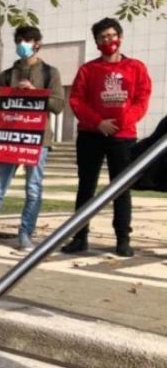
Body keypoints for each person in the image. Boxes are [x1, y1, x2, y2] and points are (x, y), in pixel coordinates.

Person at [0, 25, 64, 250]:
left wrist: (35, 92)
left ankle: (25, 234)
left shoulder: (50, 73)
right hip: (8, 138)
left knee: (33, 189)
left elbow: (58, 105)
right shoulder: (6, 76)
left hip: (37, 140)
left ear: (38, 44)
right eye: (19, 41)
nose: (22, 45)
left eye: (27, 41)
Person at [61, 17, 152, 257]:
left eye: (111, 35)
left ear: (120, 37)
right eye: (102, 37)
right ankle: (79, 237)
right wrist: (98, 123)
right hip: (91, 135)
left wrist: (120, 122)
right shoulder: (87, 70)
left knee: (121, 187)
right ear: (97, 42)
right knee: (86, 187)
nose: (108, 40)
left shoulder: (136, 67)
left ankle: (123, 239)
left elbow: (141, 100)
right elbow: (76, 100)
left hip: (123, 137)